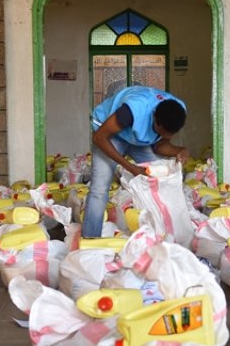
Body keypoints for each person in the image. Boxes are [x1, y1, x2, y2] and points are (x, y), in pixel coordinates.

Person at [81, 85, 190, 238]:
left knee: (159, 179)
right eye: (161, 132)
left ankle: (163, 233)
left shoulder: (177, 112)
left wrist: (181, 150)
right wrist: (130, 167)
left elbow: (159, 145)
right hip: (109, 135)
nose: (164, 135)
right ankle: (90, 241)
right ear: (155, 120)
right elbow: (99, 138)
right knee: (99, 189)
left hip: (138, 139)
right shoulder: (133, 111)